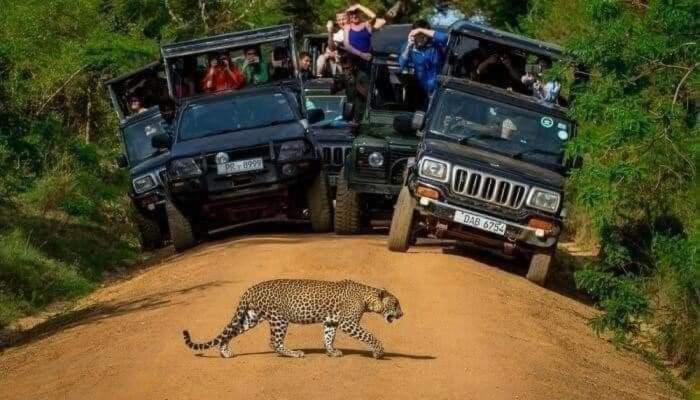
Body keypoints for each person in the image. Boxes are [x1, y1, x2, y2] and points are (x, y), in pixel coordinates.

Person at [398, 20, 449, 95]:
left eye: (424, 36)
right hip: (421, 90)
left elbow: (445, 38)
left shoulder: (435, 45)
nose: (422, 39)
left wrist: (420, 30)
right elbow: (401, 64)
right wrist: (409, 47)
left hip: (439, 89)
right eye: (419, 36)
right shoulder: (408, 47)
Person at [333, 55, 369, 122]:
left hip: (361, 112)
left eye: (347, 68)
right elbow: (333, 91)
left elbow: (367, 95)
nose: (345, 71)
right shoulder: (345, 76)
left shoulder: (362, 76)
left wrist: (355, 83)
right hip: (350, 111)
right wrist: (336, 82)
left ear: (354, 67)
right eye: (343, 69)